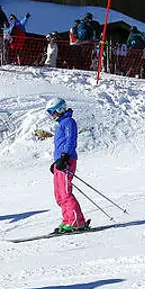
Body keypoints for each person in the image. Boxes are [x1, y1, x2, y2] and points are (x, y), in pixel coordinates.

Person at [46, 98, 88, 233]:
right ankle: (68, 220)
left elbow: (71, 140)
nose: (51, 115)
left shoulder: (69, 122)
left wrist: (65, 157)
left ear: (59, 109)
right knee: (59, 194)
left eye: (51, 111)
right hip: (61, 161)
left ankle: (76, 222)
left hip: (67, 161)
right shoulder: (61, 124)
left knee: (65, 193)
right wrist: (56, 161)